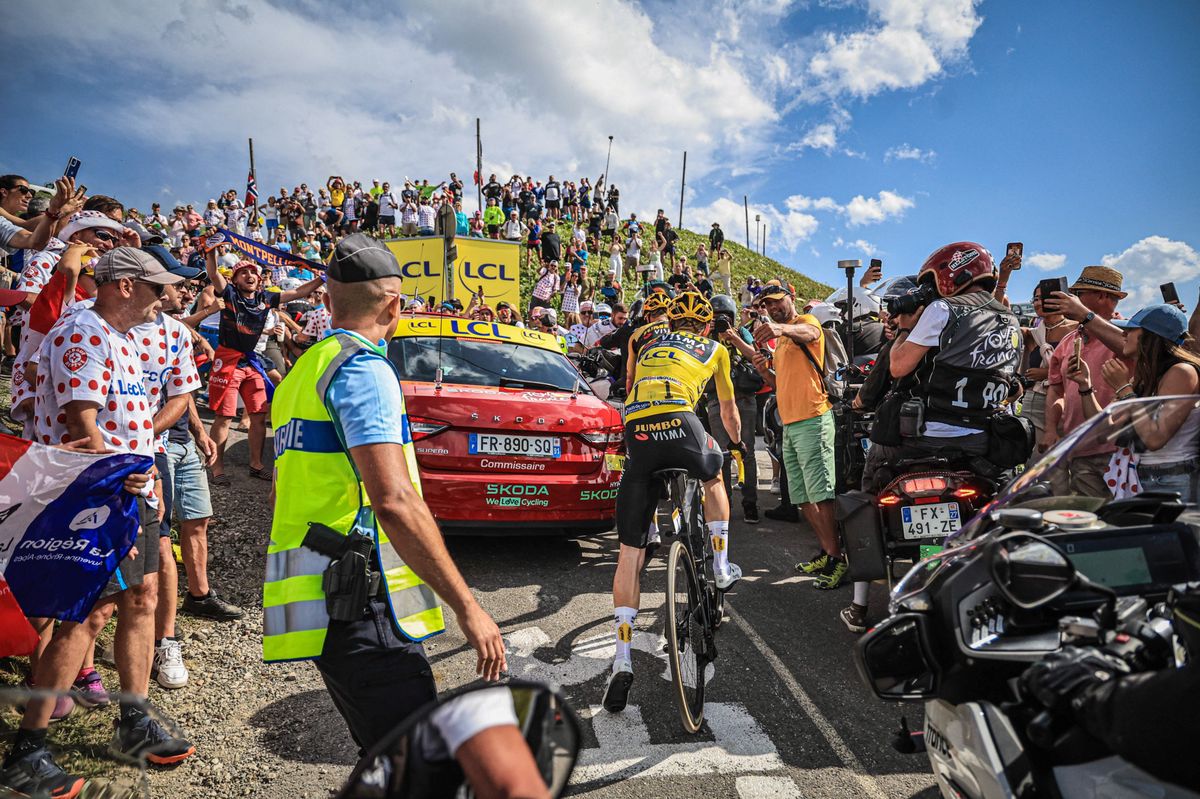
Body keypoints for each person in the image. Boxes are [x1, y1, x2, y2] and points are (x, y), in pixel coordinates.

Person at [265, 233, 506, 755]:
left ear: (327, 301)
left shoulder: (301, 373)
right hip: (362, 603)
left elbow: (282, 490)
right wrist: (469, 607)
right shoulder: (364, 368)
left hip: (324, 605)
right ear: (394, 305)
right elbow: (394, 501)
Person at [1, 248, 194, 797]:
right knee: (85, 616)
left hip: (129, 491)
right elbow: (83, 430)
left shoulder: (121, 337)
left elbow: (128, 418)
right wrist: (119, 476)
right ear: (126, 285)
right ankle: (27, 753)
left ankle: (133, 719)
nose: (164, 297)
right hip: (97, 496)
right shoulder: (81, 331)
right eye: (156, 286)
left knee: (141, 598)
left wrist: (135, 473)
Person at [605, 292, 741, 713]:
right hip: (682, 422)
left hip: (638, 430)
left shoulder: (648, 342)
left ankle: (621, 660)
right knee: (713, 471)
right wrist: (735, 447)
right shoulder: (716, 348)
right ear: (704, 327)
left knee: (629, 553)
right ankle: (719, 567)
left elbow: (628, 386)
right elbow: (729, 409)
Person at [203, 232, 323, 485]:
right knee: (224, 417)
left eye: (253, 272)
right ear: (234, 279)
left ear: (259, 279)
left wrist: (321, 276)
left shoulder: (266, 297)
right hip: (228, 361)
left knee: (259, 415)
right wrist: (211, 249)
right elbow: (214, 274)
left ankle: (256, 465)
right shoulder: (229, 294)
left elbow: (299, 291)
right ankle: (216, 467)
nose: (249, 275)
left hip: (253, 361)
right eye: (242, 272)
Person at [752, 284, 846, 589]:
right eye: (768, 305)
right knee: (801, 497)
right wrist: (763, 370)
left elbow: (811, 336)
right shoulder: (780, 342)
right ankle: (826, 551)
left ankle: (838, 558)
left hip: (813, 419)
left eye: (777, 302)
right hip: (791, 424)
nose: (773, 307)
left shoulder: (806, 323)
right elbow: (779, 383)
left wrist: (779, 328)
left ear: (790, 299)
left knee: (821, 493)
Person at [1066, 303, 1200, 500]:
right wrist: (1085, 387)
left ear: (1151, 336)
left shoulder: (1182, 372)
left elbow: (1155, 439)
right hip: (1145, 475)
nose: (1123, 334)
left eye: (1130, 329)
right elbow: (1105, 432)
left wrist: (1125, 390)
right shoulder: (1143, 377)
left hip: (1174, 478)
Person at [1041, 266, 1130, 495]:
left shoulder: (1130, 334)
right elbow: (1055, 389)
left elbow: (1128, 350)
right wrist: (1050, 429)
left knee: (1124, 522)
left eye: (1079, 294)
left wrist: (1084, 315)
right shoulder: (1068, 341)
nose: (1073, 300)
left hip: (1120, 449)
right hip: (1081, 449)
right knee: (1091, 522)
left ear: (1102, 296)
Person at [707, 294, 763, 523]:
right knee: (722, 455)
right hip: (716, 401)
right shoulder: (705, 336)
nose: (720, 321)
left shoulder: (741, 333)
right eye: (715, 317)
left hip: (744, 399)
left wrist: (734, 338)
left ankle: (750, 503)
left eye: (724, 317)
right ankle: (725, 504)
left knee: (746, 453)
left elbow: (755, 355)